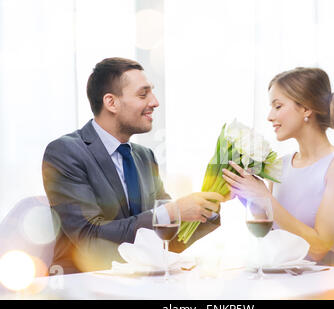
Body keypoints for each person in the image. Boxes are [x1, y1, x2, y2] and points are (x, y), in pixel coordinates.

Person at [42, 57, 224, 274]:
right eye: (143, 94)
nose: (155, 102)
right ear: (111, 103)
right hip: (85, 283)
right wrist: (172, 211)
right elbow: (89, 238)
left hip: (140, 283)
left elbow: (167, 242)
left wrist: (206, 209)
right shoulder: (65, 152)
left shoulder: (145, 157)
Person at [222, 67, 334, 267]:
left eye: (277, 106)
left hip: (333, 289)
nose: (270, 116)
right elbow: (273, 239)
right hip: (289, 286)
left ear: (306, 108)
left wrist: (265, 198)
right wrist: (250, 197)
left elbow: (318, 248)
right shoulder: (281, 165)